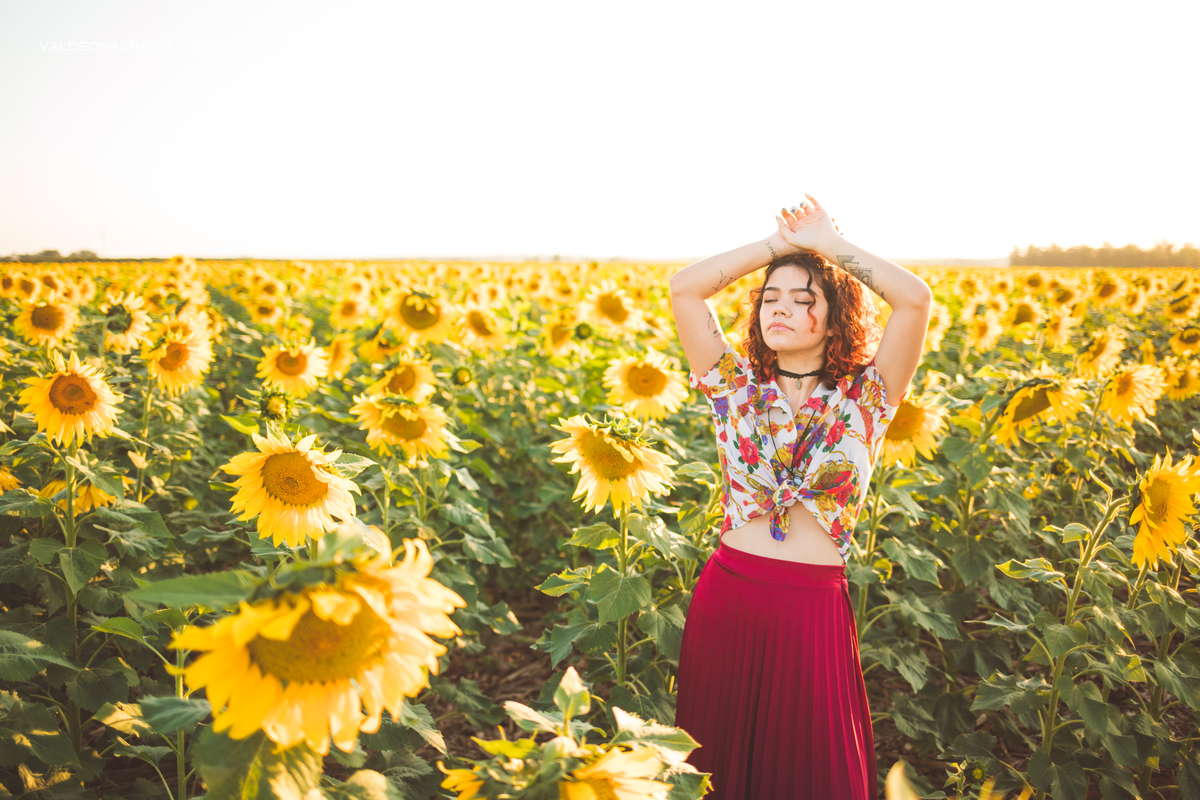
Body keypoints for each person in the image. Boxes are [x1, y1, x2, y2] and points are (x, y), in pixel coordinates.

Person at [668, 194, 932, 800]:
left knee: (811, 767)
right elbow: (686, 290)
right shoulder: (733, 385)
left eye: (801, 299)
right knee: (715, 768)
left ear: (835, 316)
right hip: (728, 595)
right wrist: (780, 248)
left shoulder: (868, 399)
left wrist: (828, 247)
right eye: (770, 299)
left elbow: (913, 300)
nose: (778, 309)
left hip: (810, 607)